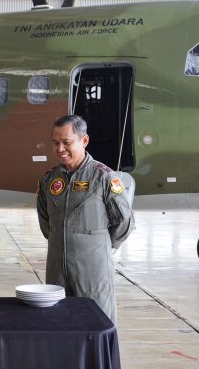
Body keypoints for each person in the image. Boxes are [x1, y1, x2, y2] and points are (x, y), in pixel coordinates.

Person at [37, 115, 134, 324]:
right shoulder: (49, 179)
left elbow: (124, 221)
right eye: (55, 143)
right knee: (57, 321)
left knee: (97, 320)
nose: (60, 149)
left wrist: (99, 245)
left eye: (66, 142)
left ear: (84, 140)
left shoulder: (103, 177)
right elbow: (45, 221)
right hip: (57, 267)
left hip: (92, 267)